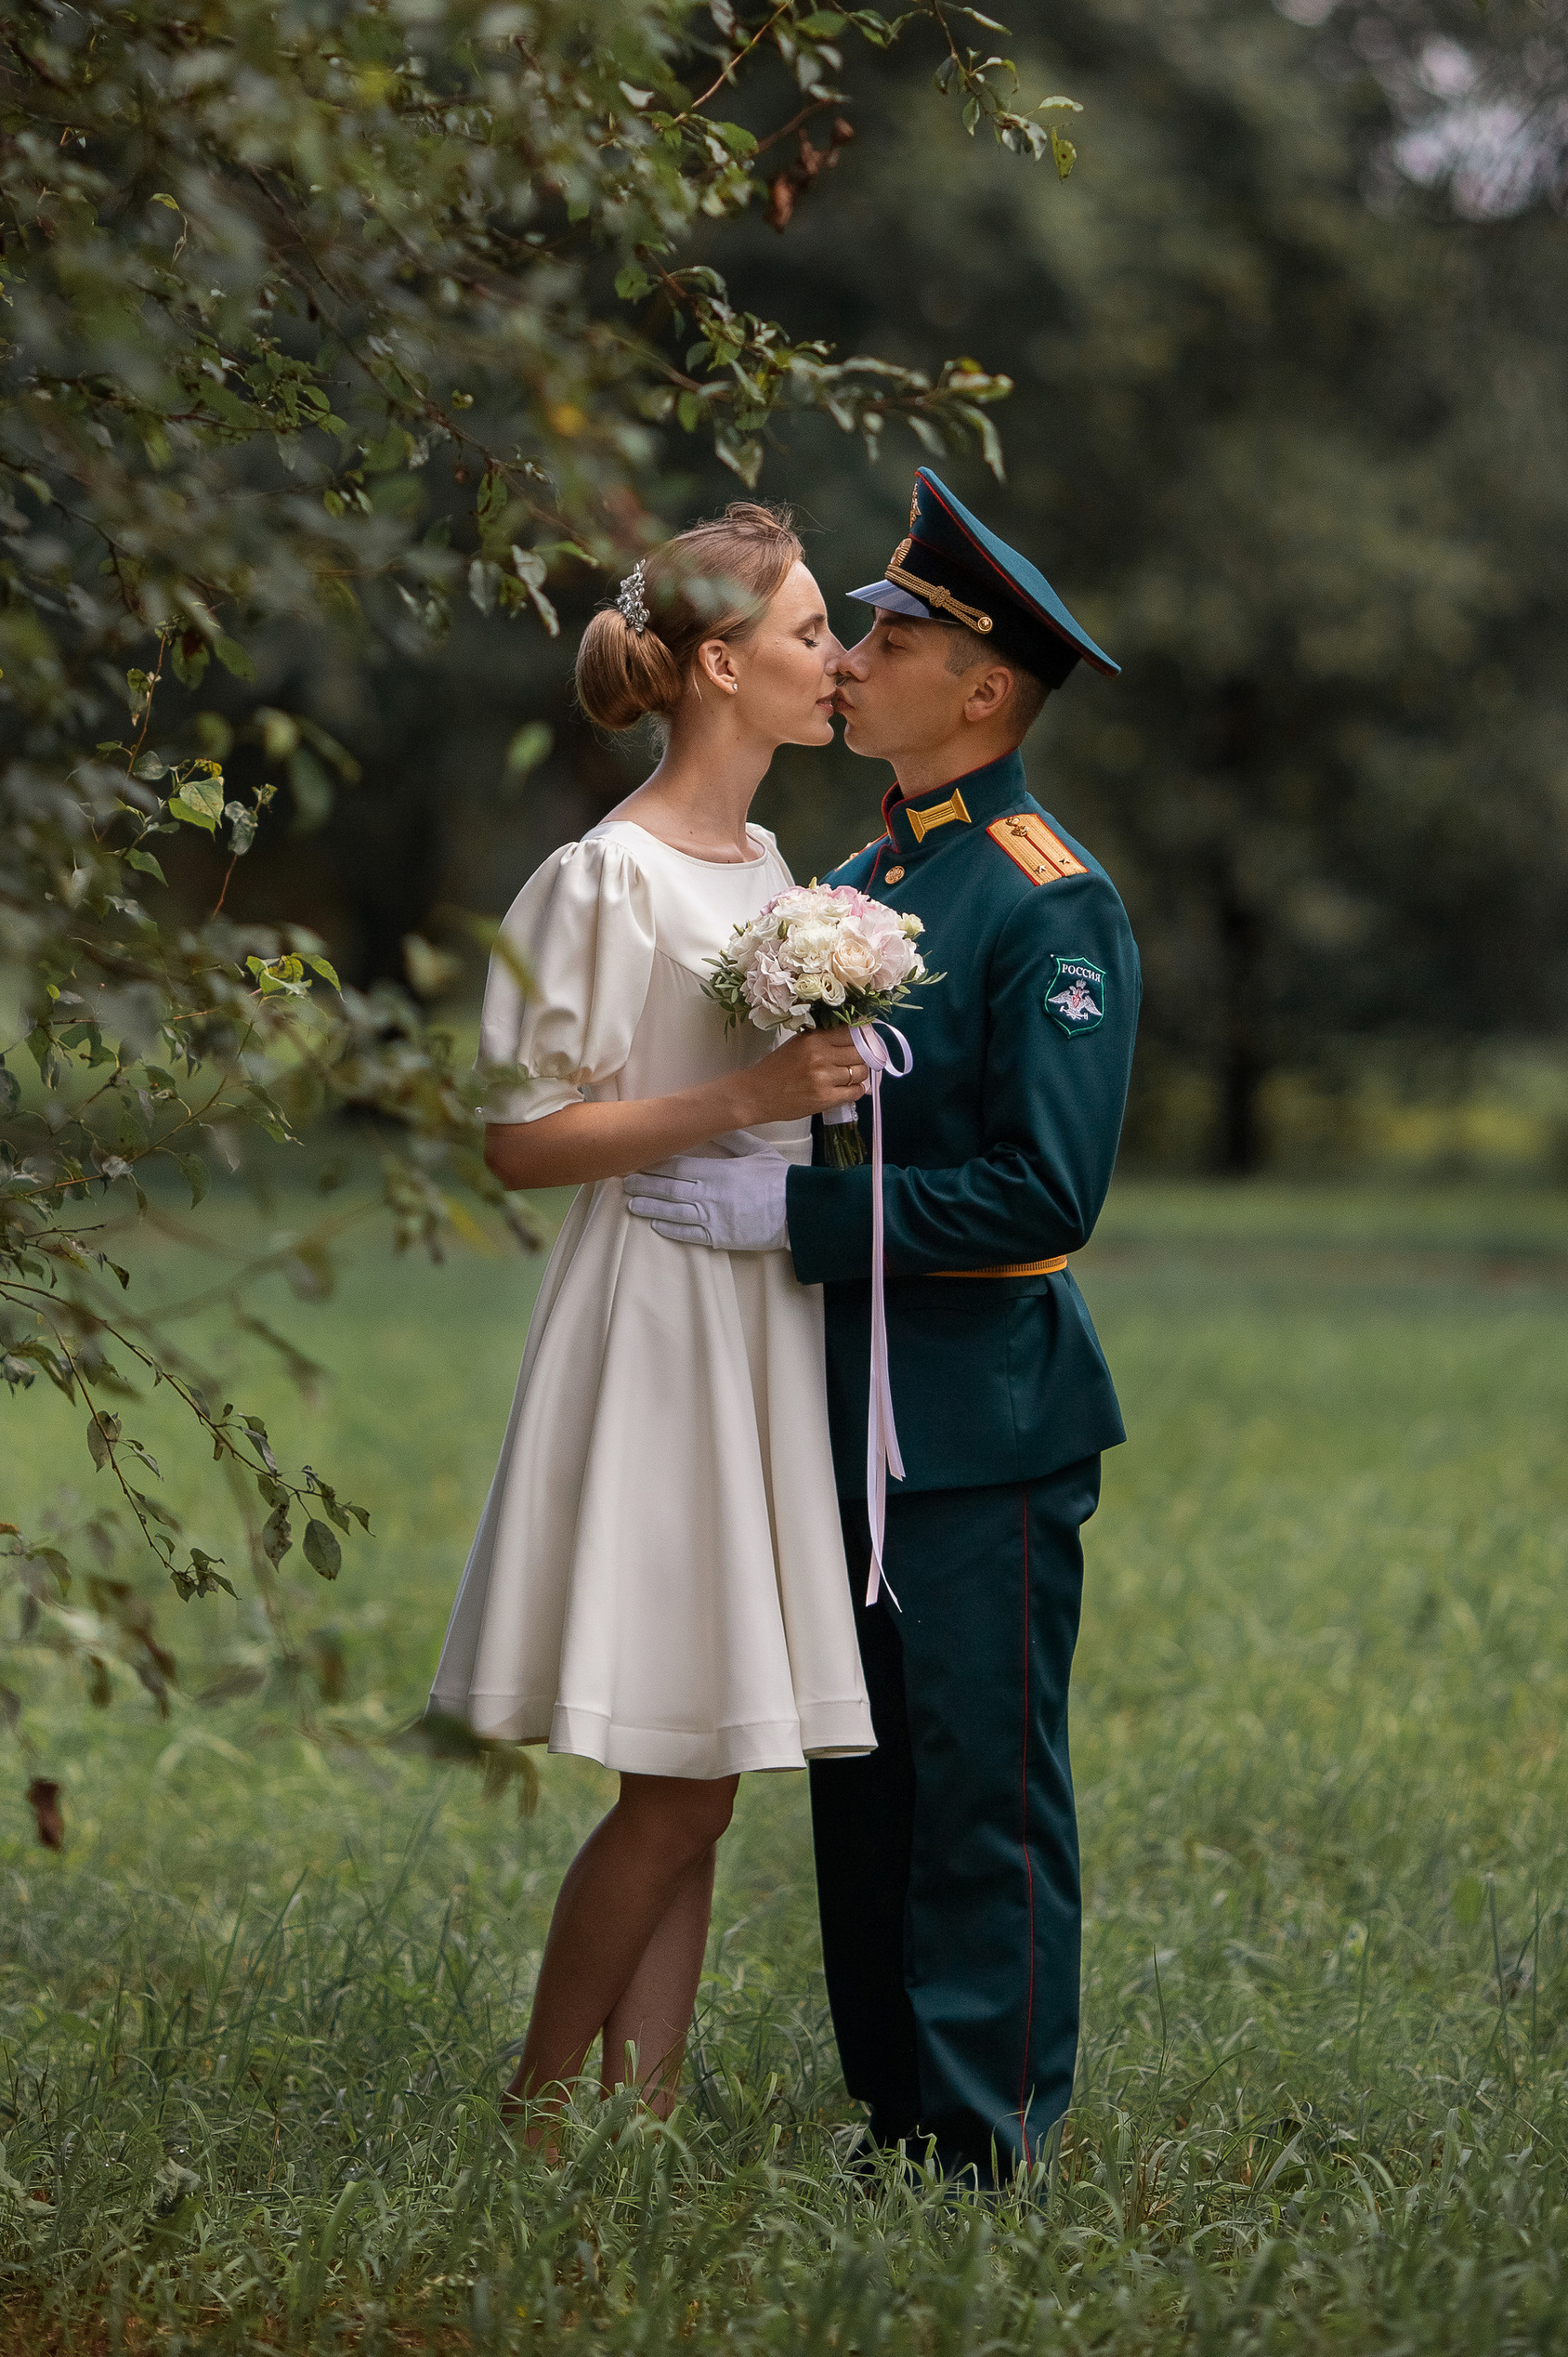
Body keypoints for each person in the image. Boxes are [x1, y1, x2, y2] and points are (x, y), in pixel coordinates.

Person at [630, 466, 1139, 2184]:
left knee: (981, 1792)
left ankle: (984, 2142)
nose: (852, 655)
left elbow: (1041, 1194)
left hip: (981, 1420)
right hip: (833, 1411)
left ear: (984, 688)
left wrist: (800, 1219)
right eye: (856, 624)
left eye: (893, 633)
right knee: (869, 1791)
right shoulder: (855, 878)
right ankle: (896, 2119)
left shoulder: (1047, 899)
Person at [429, 503, 875, 2141]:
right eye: (813, 634)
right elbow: (519, 1137)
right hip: (659, 1327)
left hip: (759, 1311)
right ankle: (543, 2110)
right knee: (682, 1774)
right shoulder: (600, 879)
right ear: (716, 663)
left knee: (704, 1768)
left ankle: (647, 2113)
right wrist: (747, 1096)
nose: (839, 661)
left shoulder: (769, 867)